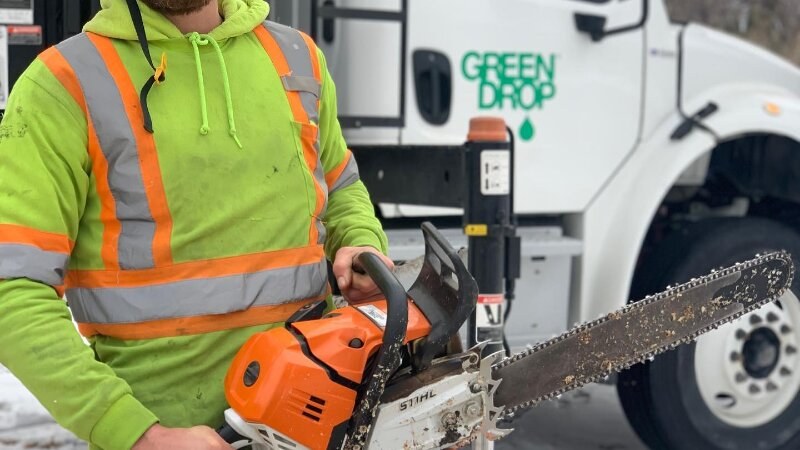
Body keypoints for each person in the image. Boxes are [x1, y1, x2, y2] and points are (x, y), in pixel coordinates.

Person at [0, 0, 392, 448]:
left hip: (323, 410)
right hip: (170, 428)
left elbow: (341, 185)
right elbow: (13, 288)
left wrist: (358, 241)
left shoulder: (298, 57)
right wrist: (138, 433)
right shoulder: (64, 83)